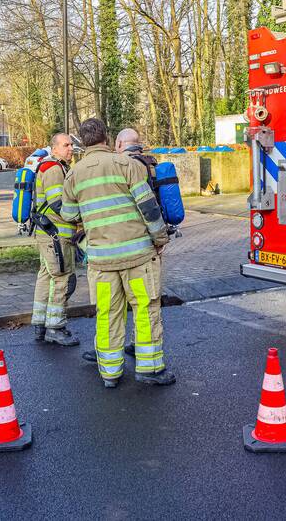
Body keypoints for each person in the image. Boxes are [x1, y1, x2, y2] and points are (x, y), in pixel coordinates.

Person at [61, 118, 174, 388]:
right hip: (137, 259)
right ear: (107, 139)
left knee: (107, 312)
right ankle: (149, 370)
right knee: (145, 309)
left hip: (101, 262)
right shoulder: (128, 166)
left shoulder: (74, 175)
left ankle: (110, 373)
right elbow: (149, 208)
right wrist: (160, 238)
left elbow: (68, 214)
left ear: (82, 142)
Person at [30, 132, 79, 347]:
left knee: (46, 276)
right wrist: (80, 217)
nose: (71, 149)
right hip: (56, 235)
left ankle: (40, 324)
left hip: (47, 234)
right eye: (66, 145)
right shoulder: (52, 168)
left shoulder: (50, 166)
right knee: (63, 278)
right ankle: (55, 328)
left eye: (71, 145)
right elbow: (57, 203)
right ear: (54, 148)